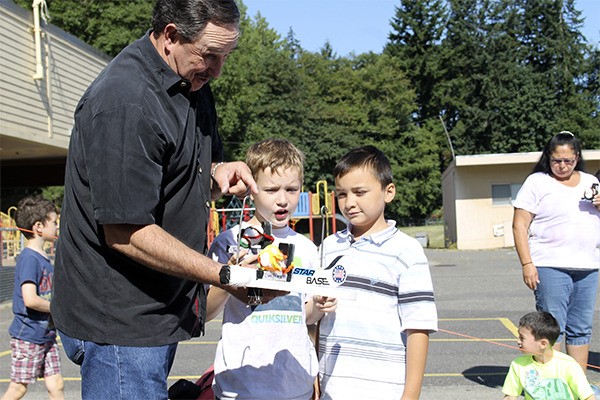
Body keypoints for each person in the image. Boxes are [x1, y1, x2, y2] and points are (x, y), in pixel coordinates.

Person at [50, 1, 270, 398]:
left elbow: (164, 182)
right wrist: (223, 275)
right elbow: (126, 230)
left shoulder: (192, 83)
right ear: (170, 36)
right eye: (210, 55)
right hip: (120, 325)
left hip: (155, 312)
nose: (218, 70)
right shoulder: (126, 100)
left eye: (226, 56)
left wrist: (214, 177)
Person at [205, 138, 336, 400]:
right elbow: (205, 312)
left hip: (294, 384)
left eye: (291, 189)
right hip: (241, 384)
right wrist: (229, 276)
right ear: (252, 189)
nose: (283, 200)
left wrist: (318, 306)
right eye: (272, 189)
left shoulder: (307, 247)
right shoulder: (229, 241)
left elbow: (304, 316)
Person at [317, 145, 438, 400]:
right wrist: (314, 381)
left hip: (385, 390)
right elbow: (315, 321)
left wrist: (410, 395)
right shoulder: (328, 247)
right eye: (341, 194)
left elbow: (418, 328)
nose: (349, 203)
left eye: (360, 192)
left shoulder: (406, 251)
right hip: (332, 389)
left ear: (388, 192)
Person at [512, 131, 600, 372]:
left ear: (577, 157)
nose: (562, 166)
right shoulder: (537, 182)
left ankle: (577, 383)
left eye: (568, 161)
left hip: (588, 266)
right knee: (552, 327)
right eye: (556, 160)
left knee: (581, 328)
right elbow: (519, 224)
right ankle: (552, 382)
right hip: (550, 265)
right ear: (548, 158)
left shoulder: (591, 182)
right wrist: (527, 263)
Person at [1, 197, 64, 400]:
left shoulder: (43, 258)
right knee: (18, 389)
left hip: (46, 336)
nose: (57, 226)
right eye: (54, 222)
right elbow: (30, 299)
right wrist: (58, 308)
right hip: (28, 337)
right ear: (38, 226)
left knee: (57, 385)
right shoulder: (29, 258)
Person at [502, 311, 596, 400]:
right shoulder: (518, 365)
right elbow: (510, 396)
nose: (518, 341)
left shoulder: (568, 365)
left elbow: (588, 396)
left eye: (522, 338)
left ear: (543, 344)